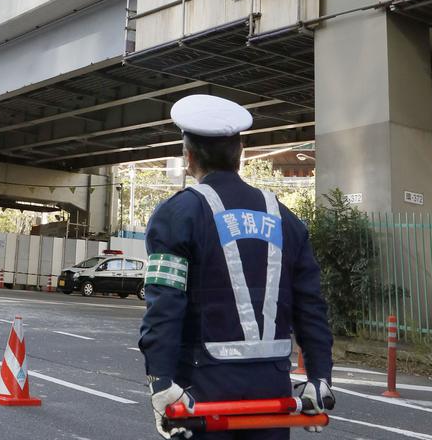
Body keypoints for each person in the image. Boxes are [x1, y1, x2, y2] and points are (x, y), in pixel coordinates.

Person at [139, 94, 334, 440]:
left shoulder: (177, 216)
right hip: (271, 387)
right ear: (240, 155)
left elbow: (164, 306)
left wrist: (161, 382)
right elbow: (311, 305)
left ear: (189, 157)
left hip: (202, 390)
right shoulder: (285, 219)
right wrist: (320, 378)